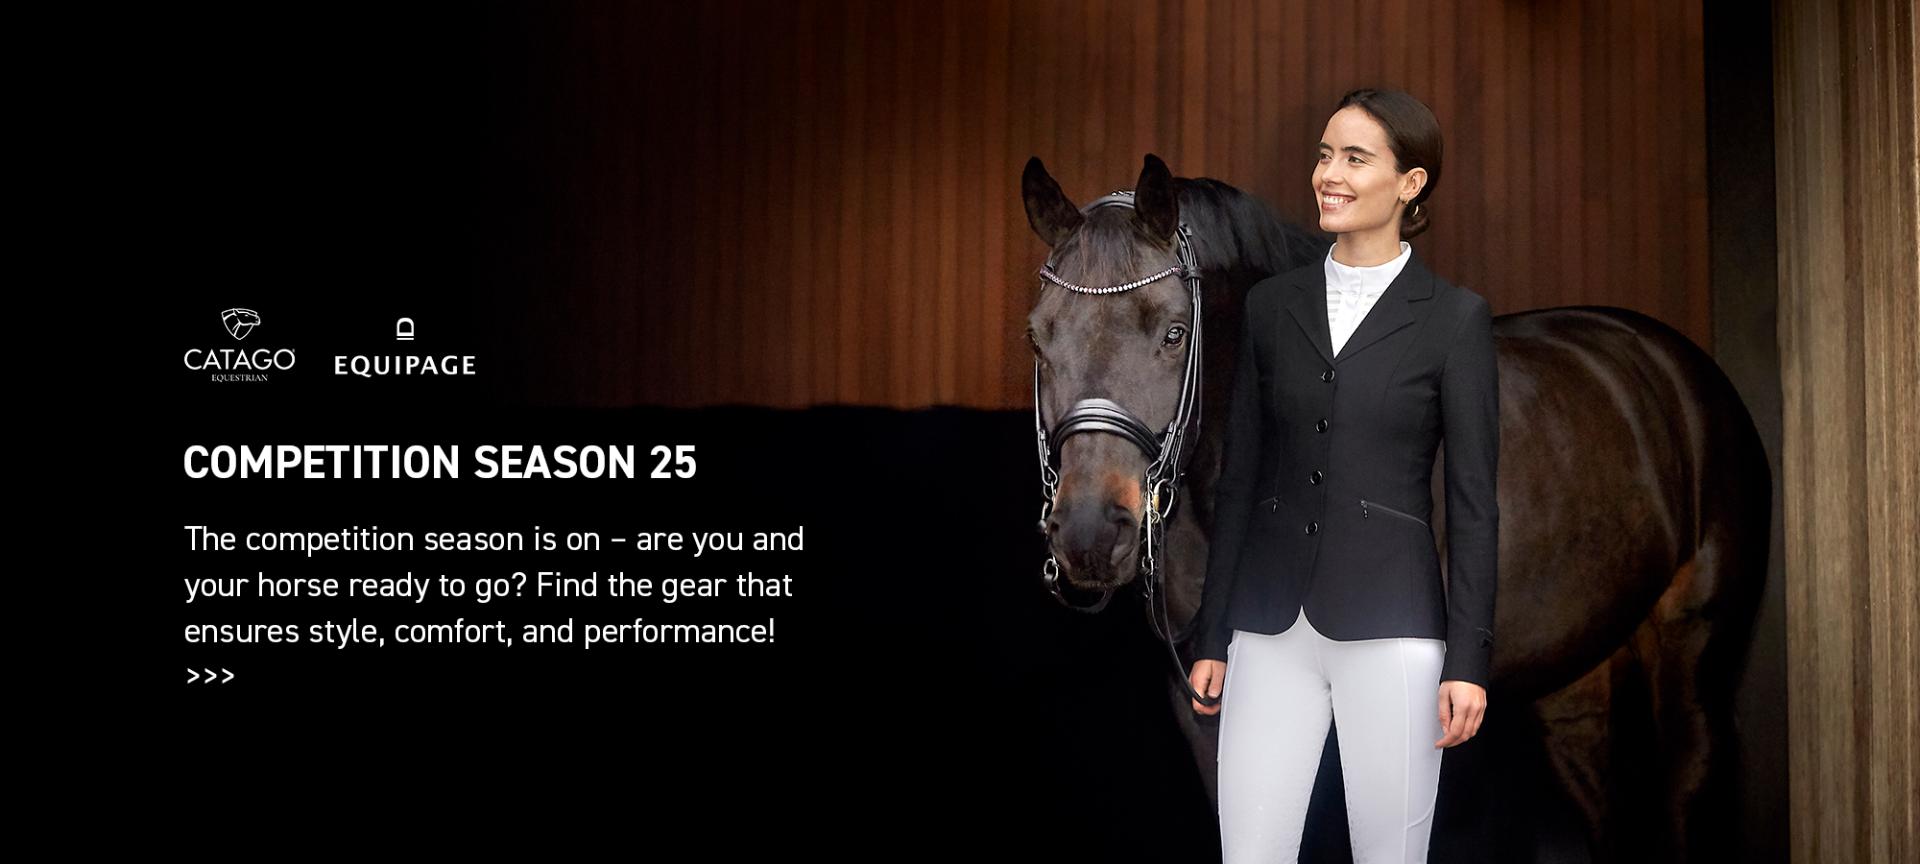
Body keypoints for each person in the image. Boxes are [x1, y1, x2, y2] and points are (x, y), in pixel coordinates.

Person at [1186, 88, 1500, 863]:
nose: (1329, 174)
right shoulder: (1270, 306)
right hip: (1267, 627)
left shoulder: (1454, 318)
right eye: (1325, 155)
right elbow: (1239, 479)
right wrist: (1214, 634)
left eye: (1355, 159)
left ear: (1410, 183)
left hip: (1395, 630)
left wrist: (1469, 661)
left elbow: (1472, 506)